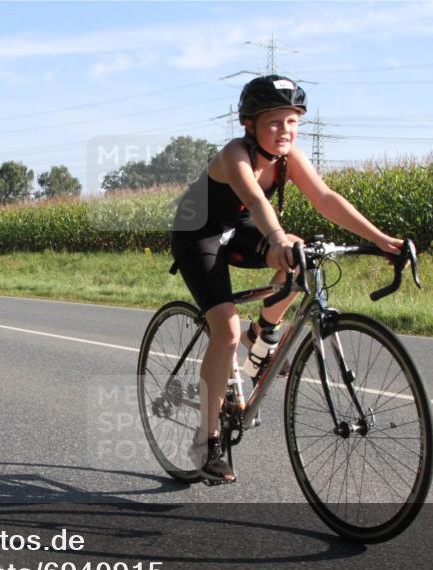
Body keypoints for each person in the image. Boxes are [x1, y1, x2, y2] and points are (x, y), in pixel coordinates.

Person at [170, 74, 404, 484]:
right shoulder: (234, 155)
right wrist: (276, 238)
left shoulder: (288, 157)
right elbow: (258, 201)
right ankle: (206, 443)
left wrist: (384, 241)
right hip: (199, 234)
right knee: (224, 330)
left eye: (293, 121)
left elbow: (326, 199)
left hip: (240, 229)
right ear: (249, 124)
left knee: (300, 256)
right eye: (275, 122)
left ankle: (263, 335)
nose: (286, 131)